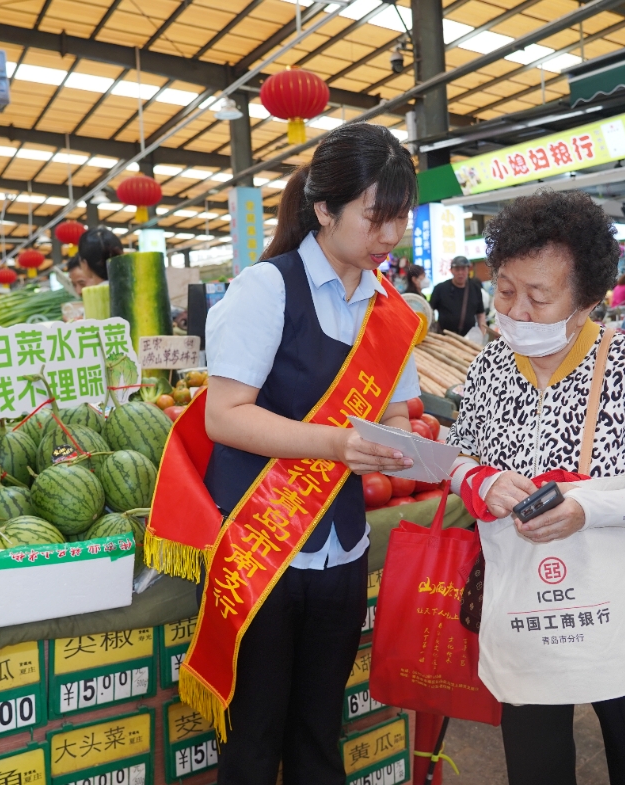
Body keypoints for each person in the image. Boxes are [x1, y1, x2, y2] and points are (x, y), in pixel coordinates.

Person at [179, 123, 422, 785]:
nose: (391, 235)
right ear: (324, 210)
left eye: (400, 217)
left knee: (320, 729)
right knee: (254, 739)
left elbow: (396, 410)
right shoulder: (265, 288)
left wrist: (398, 441)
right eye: (375, 217)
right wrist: (337, 444)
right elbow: (225, 415)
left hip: (341, 548)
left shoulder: (389, 308)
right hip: (262, 545)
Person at [447, 190, 625, 785]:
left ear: (588, 301)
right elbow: (460, 457)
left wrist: (589, 508)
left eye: (538, 298)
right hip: (527, 609)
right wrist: (479, 479)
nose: (516, 311)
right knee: (535, 767)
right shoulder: (489, 367)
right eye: (504, 290)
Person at [429, 255, 486, 336]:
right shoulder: (440, 288)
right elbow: (430, 310)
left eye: (463, 269)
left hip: (469, 338)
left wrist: (483, 335)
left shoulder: (475, 288)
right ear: (451, 270)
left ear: (468, 270)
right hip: (444, 337)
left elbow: (481, 315)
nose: (460, 273)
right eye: (457, 269)